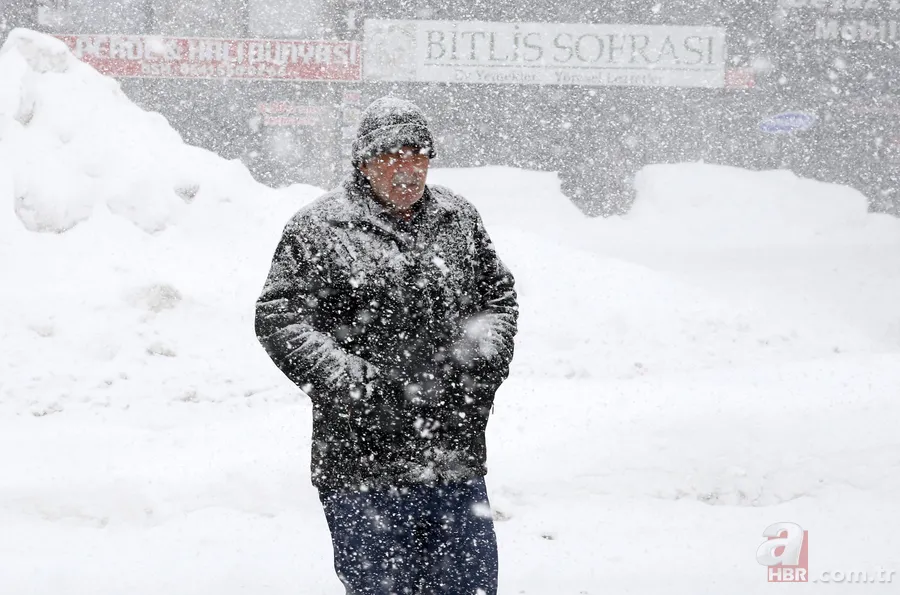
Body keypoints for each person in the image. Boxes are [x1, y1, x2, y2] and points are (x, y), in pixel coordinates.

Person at [254, 97, 518, 595]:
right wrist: (356, 385)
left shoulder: (458, 219)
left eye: (417, 154)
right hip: (361, 467)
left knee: (470, 588)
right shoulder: (319, 228)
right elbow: (280, 316)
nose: (406, 168)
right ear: (363, 163)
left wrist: (479, 362)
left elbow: (497, 297)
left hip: (453, 455)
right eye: (390, 156)